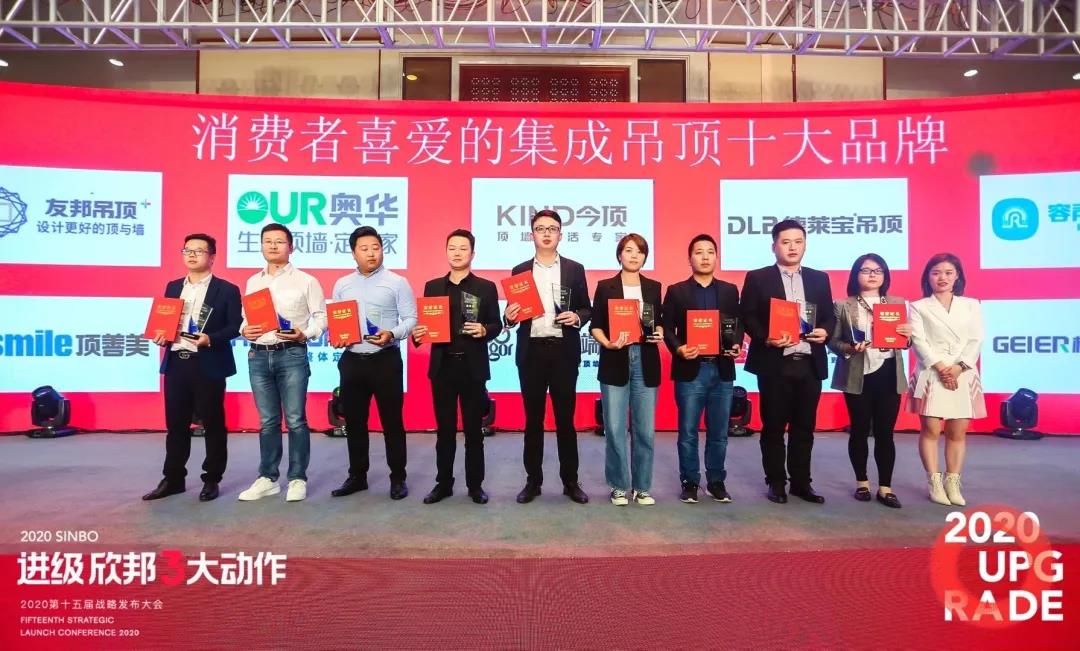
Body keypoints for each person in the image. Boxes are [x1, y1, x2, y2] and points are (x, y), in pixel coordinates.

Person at [740, 219, 835, 504]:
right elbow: (748, 315)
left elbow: (829, 315)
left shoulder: (819, 278)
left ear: (805, 245)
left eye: (798, 242)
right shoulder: (758, 278)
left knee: (804, 427)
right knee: (773, 427)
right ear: (774, 246)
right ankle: (776, 482)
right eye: (785, 242)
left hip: (809, 362)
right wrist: (766, 337)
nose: (792, 247)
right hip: (775, 363)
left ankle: (801, 483)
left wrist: (825, 331)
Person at [143, 233, 242, 503]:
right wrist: (161, 335)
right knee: (176, 424)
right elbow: (165, 321)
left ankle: (211, 478)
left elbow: (235, 326)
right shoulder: (173, 286)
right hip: (177, 362)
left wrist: (211, 338)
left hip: (207, 362)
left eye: (199, 250)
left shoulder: (226, 289)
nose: (192, 255)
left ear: (212, 257)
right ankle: (173, 478)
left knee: (213, 423)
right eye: (187, 250)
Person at [504, 209, 592, 504]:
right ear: (532, 234)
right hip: (531, 353)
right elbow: (512, 315)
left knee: (566, 420)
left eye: (552, 229)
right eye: (540, 228)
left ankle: (570, 481)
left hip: (563, 353)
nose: (546, 233)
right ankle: (533, 481)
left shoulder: (574, 269)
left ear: (560, 235)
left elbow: (587, 308)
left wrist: (576, 317)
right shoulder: (519, 270)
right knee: (533, 420)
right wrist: (509, 317)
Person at [237, 223, 327, 503]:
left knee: (296, 419)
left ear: (291, 246)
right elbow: (246, 317)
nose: (273, 245)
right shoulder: (253, 281)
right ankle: (268, 478)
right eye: (267, 241)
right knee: (267, 421)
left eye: (279, 241)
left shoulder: (306, 281)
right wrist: (243, 330)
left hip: (291, 354)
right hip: (258, 355)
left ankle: (298, 478)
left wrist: (305, 334)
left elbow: (322, 318)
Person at [412, 229, 501, 505]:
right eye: (452, 248)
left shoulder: (486, 287)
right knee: (445, 430)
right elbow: (425, 326)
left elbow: (497, 324)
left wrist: (484, 330)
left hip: (472, 368)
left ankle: (475, 485)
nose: (457, 253)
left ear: (473, 253)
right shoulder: (432, 287)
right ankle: (443, 484)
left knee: (474, 431)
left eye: (463, 248)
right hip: (443, 368)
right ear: (446, 252)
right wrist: (418, 335)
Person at [330, 226, 417, 501]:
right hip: (352, 360)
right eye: (364, 248)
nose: (371, 253)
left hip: (385, 360)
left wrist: (392, 333)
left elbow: (411, 319)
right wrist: (337, 336)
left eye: (376, 248)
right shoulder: (342, 284)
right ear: (353, 253)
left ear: (383, 250)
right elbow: (337, 321)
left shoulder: (397, 282)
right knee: (354, 422)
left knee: (392, 422)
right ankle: (357, 476)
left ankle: (398, 477)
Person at [661, 234, 742, 504]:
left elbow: (737, 324)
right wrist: (679, 348)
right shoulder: (677, 291)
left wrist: (736, 343)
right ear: (690, 258)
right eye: (699, 252)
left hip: (722, 369)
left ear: (716, 257)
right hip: (690, 370)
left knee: (719, 432)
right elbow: (667, 327)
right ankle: (690, 481)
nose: (705, 257)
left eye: (710, 252)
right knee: (688, 432)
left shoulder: (730, 290)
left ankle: (716, 481)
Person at [828, 254, 912, 509]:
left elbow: (906, 342)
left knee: (886, 433)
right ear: (856, 275)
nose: (873, 275)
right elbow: (833, 341)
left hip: (888, 373)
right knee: (860, 429)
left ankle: (886, 488)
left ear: (885, 275)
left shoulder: (897, 303)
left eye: (878, 270)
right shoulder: (843, 305)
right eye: (866, 270)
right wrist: (850, 348)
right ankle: (862, 483)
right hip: (858, 372)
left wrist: (907, 337)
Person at [590, 234, 663, 506]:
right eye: (629, 250)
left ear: (645, 257)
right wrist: (608, 343)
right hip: (615, 358)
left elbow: (660, 321)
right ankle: (619, 486)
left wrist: (658, 332)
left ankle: (642, 487)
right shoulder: (605, 287)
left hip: (646, 359)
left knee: (645, 430)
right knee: (615, 427)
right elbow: (595, 325)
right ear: (619, 254)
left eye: (640, 251)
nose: (634, 256)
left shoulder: (653, 287)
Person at [907, 253, 985, 507]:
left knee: (957, 431)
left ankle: (953, 481)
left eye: (948, 272)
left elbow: (976, 339)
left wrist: (959, 368)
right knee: (930, 430)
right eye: (936, 272)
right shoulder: (918, 306)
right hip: (931, 372)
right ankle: (934, 481)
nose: (942, 277)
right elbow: (919, 341)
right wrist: (942, 368)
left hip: (963, 372)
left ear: (957, 276)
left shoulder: (972, 305)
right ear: (928, 277)